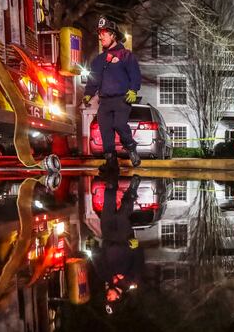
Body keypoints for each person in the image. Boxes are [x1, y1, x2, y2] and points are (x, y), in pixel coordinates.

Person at [82, 16, 142, 171]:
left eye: (104, 33)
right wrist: (88, 93)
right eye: (99, 33)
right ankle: (110, 162)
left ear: (113, 35)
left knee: (119, 124)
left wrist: (133, 89)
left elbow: (135, 74)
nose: (100, 36)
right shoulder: (99, 60)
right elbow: (94, 79)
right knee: (106, 130)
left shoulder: (126, 55)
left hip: (122, 99)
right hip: (105, 101)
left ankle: (131, 148)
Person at [91, 172, 144, 314]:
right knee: (122, 215)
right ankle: (132, 191)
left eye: (107, 297)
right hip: (123, 240)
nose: (108, 296)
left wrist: (92, 248)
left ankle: (111, 180)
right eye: (111, 299)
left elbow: (97, 260)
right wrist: (136, 247)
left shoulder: (105, 277)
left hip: (108, 237)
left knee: (107, 210)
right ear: (118, 297)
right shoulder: (131, 282)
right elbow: (138, 261)